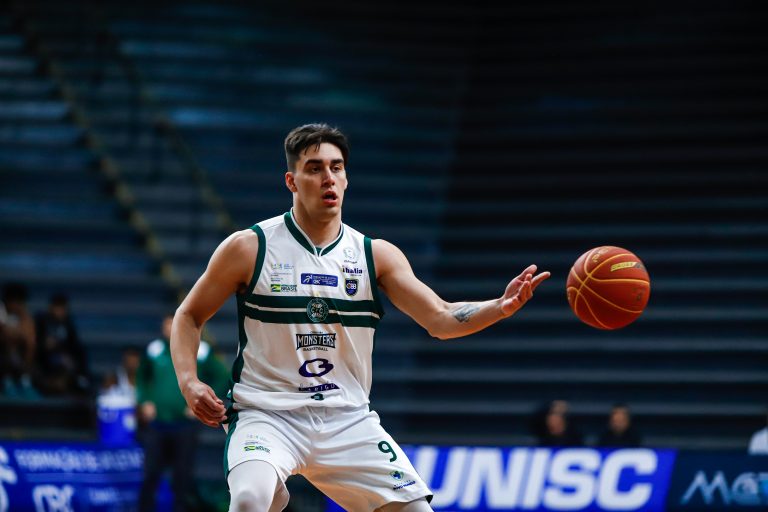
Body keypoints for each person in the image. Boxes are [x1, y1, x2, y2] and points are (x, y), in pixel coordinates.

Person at [170, 123, 550, 512]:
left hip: (347, 420)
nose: (328, 178)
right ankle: (270, 490)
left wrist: (500, 306)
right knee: (250, 499)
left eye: (336, 168)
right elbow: (189, 315)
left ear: (346, 179)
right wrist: (188, 382)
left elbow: (440, 318)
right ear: (291, 181)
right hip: (267, 414)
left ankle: (276, 495)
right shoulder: (250, 247)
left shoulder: (374, 255)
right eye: (314, 168)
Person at [136, 313, 229, 512]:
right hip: (158, 423)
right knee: (150, 472)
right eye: (166, 325)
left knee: (183, 474)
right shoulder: (154, 350)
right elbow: (142, 377)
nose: (169, 329)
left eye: (174, 324)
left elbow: (223, 377)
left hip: (185, 425)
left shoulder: (201, 350)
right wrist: (145, 401)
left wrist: (204, 400)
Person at [34, 293, 90, 396]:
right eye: (58, 308)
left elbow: (74, 345)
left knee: (78, 356)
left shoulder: (68, 324)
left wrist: (65, 355)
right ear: (51, 308)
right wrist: (45, 344)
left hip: (63, 359)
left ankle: (79, 381)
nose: (60, 312)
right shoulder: (42, 322)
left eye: (63, 309)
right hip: (46, 359)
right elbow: (37, 343)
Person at [0, 282, 40, 398]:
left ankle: (25, 381)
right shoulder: (1, 310)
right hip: (3, 356)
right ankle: (7, 382)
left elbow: (30, 339)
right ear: (9, 301)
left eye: (21, 303)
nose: (19, 306)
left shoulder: (24, 315)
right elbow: (6, 334)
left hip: (18, 359)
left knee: (30, 344)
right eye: (17, 303)